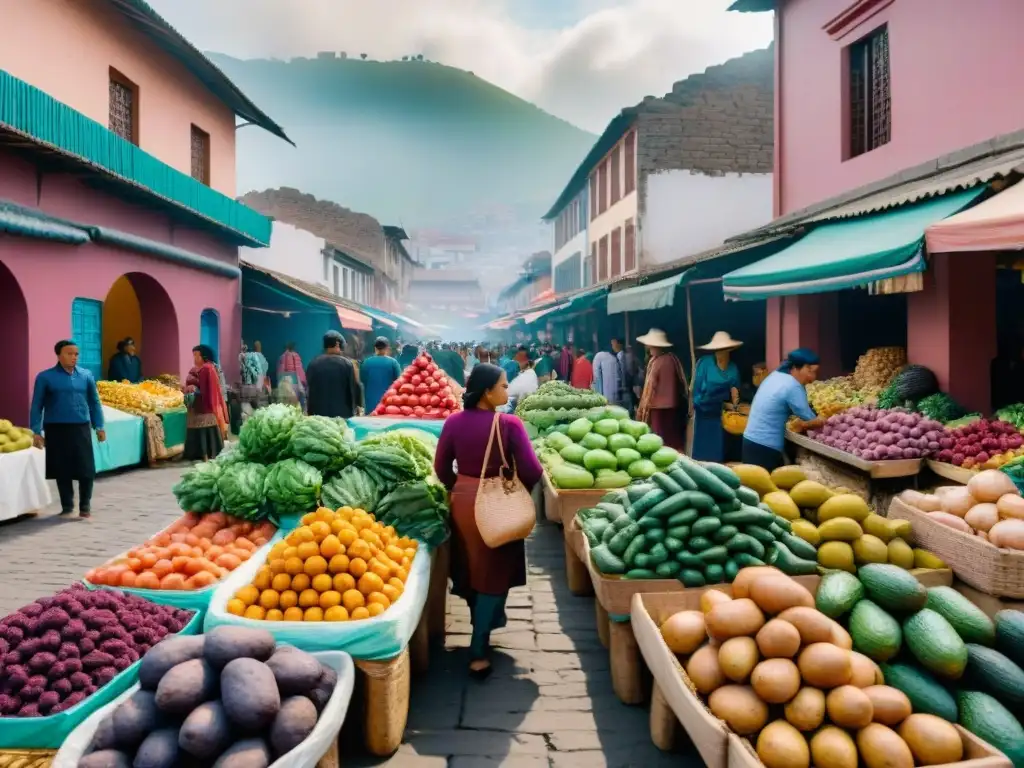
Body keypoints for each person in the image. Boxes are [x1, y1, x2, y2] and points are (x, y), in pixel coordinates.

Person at [433, 363, 543, 677]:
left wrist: (461, 489)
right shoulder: (509, 424)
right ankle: (479, 649)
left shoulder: (453, 422)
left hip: (463, 502)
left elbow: (441, 469)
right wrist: (517, 491)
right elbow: (533, 470)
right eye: (504, 386)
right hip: (498, 504)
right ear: (487, 392)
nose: (508, 392)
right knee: (493, 573)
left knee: (470, 569)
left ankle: (484, 620)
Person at [31, 340, 106, 519]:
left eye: (76, 354)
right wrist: (36, 430)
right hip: (56, 428)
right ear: (59, 355)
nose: (74, 357)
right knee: (61, 468)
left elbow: (94, 402)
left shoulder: (86, 375)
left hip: (81, 427)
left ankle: (85, 505)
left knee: (86, 469)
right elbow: (37, 405)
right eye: (69, 353)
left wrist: (99, 425)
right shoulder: (45, 377)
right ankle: (67, 506)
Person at [743, 348, 824, 471]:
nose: (813, 377)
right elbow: (811, 418)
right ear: (797, 368)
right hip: (766, 448)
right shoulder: (793, 386)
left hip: (749, 441)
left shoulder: (775, 376)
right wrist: (827, 419)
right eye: (811, 371)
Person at [691, 332, 744, 462]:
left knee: (716, 448)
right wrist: (698, 403)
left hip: (719, 414)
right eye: (717, 350)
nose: (719, 353)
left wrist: (735, 404)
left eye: (722, 350)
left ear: (729, 350)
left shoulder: (733, 369)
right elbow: (696, 389)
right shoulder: (705, 364)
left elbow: (735, 390)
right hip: (703, 410)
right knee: (701, 449)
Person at [635, 329, 689, 450]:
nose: (649, 349)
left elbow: (651, 386)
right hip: (672, 405)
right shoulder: (672, 359)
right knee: (672, 436)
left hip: (658, 407)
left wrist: (643, 405)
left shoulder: (657, 362)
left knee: (661, 438)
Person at [184, 345, 229, 461]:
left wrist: (193, 390)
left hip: (205, 407)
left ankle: (204, 454)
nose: (194, 359)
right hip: (209, 406)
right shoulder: (207, 368)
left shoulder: (206, 369)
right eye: (193, 356)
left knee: (204, 429)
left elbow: (206, 391)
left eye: (196, 356)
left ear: (203, 356)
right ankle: (210, 453)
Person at [306, 331, 361, 419]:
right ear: (337, 344)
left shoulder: (313, 364)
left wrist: (310, 412)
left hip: (318, 415)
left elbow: (309, 389)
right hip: (342, 414)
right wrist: (356, 407)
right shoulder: (347, 364)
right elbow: (353, 389)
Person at [361, 336, 402, 413]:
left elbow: (362, 380)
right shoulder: (393, 363)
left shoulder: (366, 362)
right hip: (388, 402)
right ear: (387, 348)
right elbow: (399, 382)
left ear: (375, 348)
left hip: (370, 402)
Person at [277, 342, 307, 410]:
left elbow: (280, 372)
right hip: (296, 384)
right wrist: (304, 383)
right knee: (298, 404)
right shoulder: (296, 356)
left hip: (284, 384)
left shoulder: (282, 357)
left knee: (286, 405)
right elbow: (300, 372)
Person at [614, 338, 641, 411]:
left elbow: (630, 371)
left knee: (629, 406)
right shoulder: (623, 356)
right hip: (627, 387)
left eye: (630, 348)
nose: (629, 350)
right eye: (628, 348)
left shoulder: (628, 357)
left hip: (629, 386)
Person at [592, 341, 623, 406]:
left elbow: (596, 375)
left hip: (604, 393)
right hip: (614, 392)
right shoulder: (614, 358)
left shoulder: (599, 355)